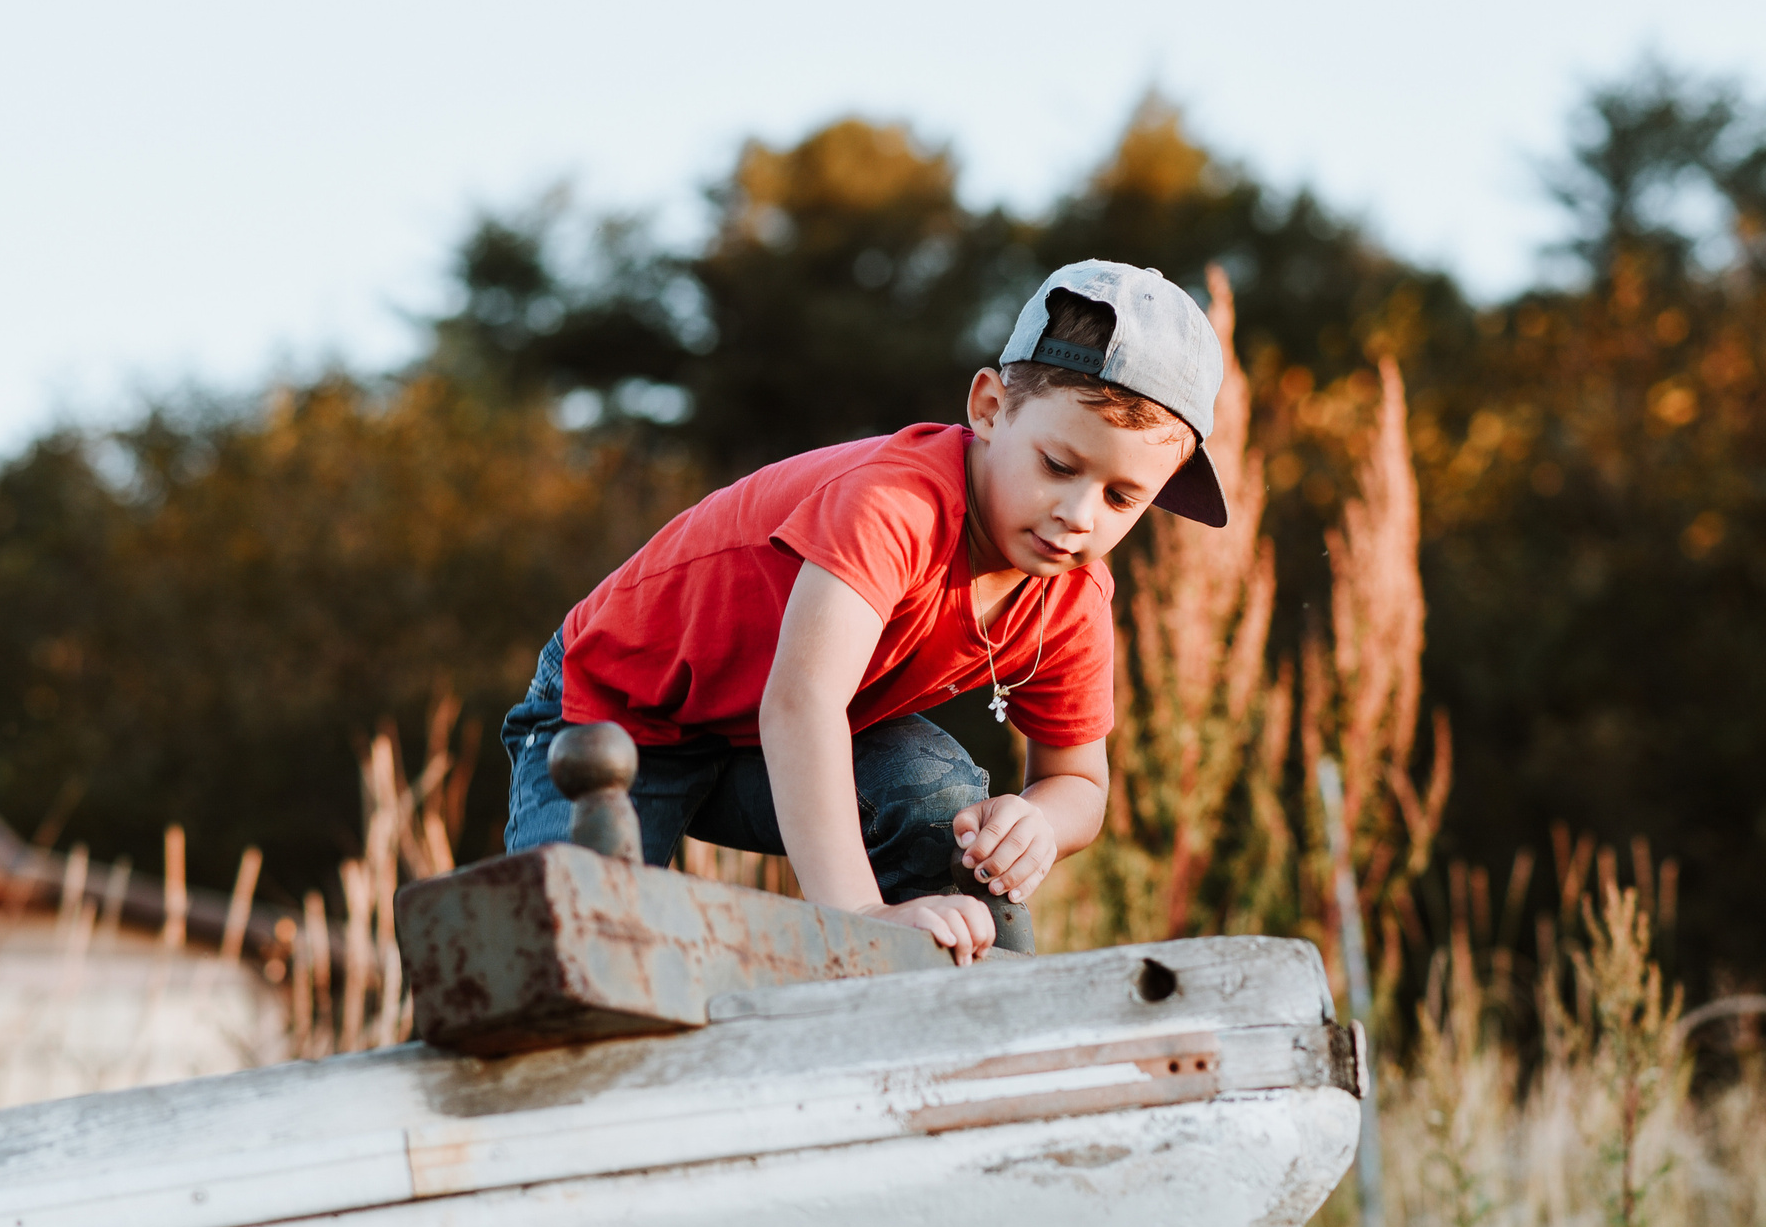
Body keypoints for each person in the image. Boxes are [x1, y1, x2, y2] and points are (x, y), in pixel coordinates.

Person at [501, 259, 1228, 964]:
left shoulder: (1070, 595)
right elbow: (801, 701)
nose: (1078, 514)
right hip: (614, 715)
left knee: (939, 792)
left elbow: (1081, 783)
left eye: (1121, 497)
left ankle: (975, 1013)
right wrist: (855, 914)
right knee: (571, 949)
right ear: (989, 409)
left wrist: (1039, 819)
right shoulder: (896, 505)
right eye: (1059, 467)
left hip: (767, 743)